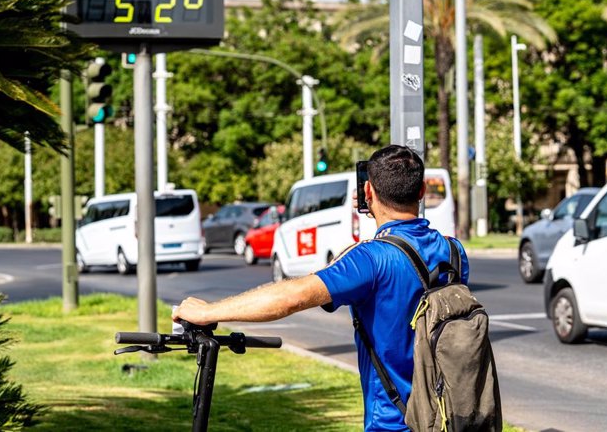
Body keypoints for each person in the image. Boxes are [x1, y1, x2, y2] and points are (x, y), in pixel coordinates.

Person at [173, 144, 469, 431]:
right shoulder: (454, 252)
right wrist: (380, 218)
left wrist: (210, 310)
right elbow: (407, 256)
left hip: (393, 423)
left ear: (368, 192)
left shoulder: (369, 260)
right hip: (448, 417)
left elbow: (292, 297)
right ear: (421, 192)